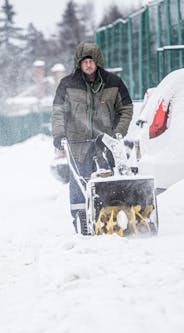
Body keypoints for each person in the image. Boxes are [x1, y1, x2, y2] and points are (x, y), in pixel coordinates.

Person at [51, 42, 134, 233]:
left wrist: (118, 133)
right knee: (79, 185)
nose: (88, 65)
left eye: (91, 61)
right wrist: (59, 134)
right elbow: (58, 112)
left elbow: (126, 109)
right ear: (78, 64)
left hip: (104, 144)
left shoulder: (113, 82)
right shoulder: (67, 84)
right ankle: (81, 224)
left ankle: (108, 221)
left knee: (106, 183)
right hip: (77, 145)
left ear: (98, 62)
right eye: (84, 61)